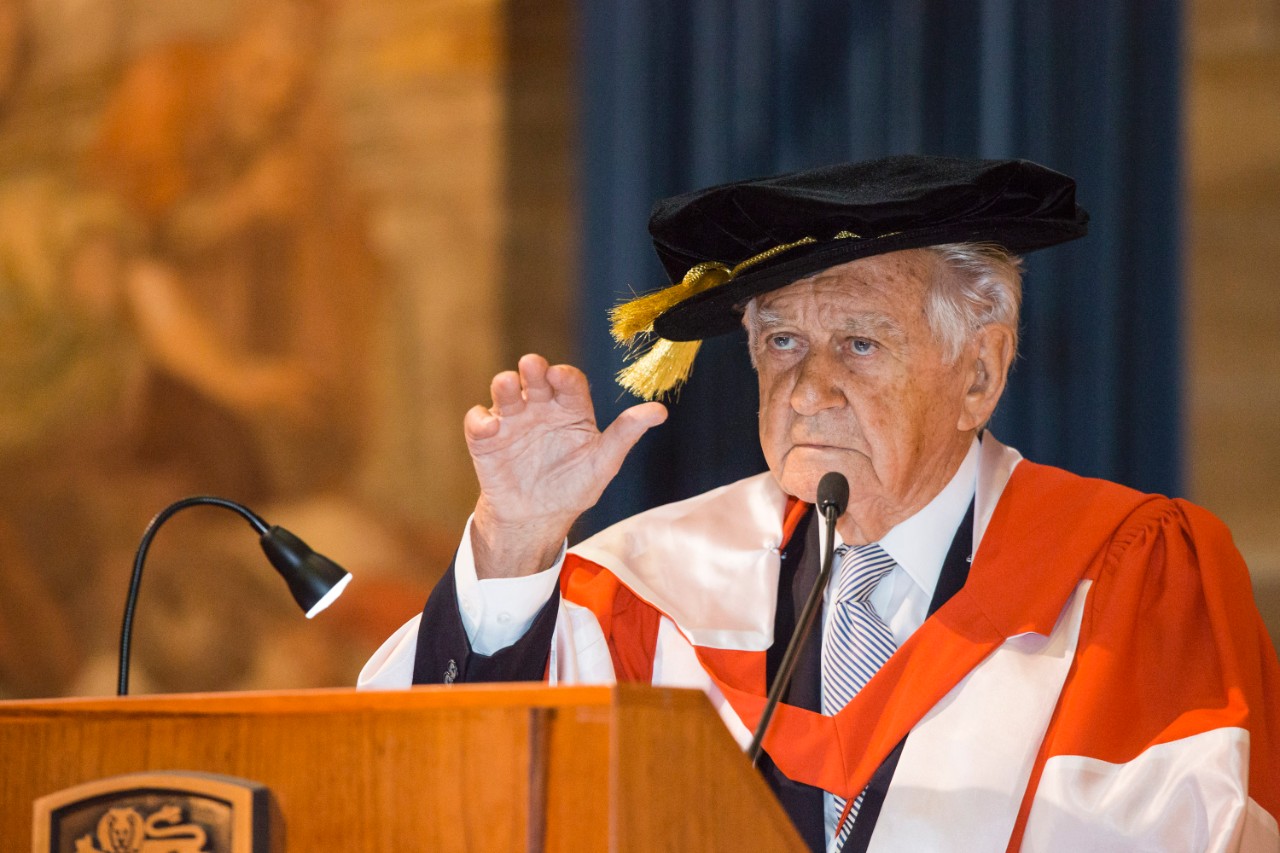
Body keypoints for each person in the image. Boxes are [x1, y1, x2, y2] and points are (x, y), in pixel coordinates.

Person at [360, 155, 1280, 852]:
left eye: (861, 344)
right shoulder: (645, 591)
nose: (808, 389)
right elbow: (439, 796)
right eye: (784, 341)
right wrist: (517, 542)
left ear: (981, 374)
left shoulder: (1127, 576)